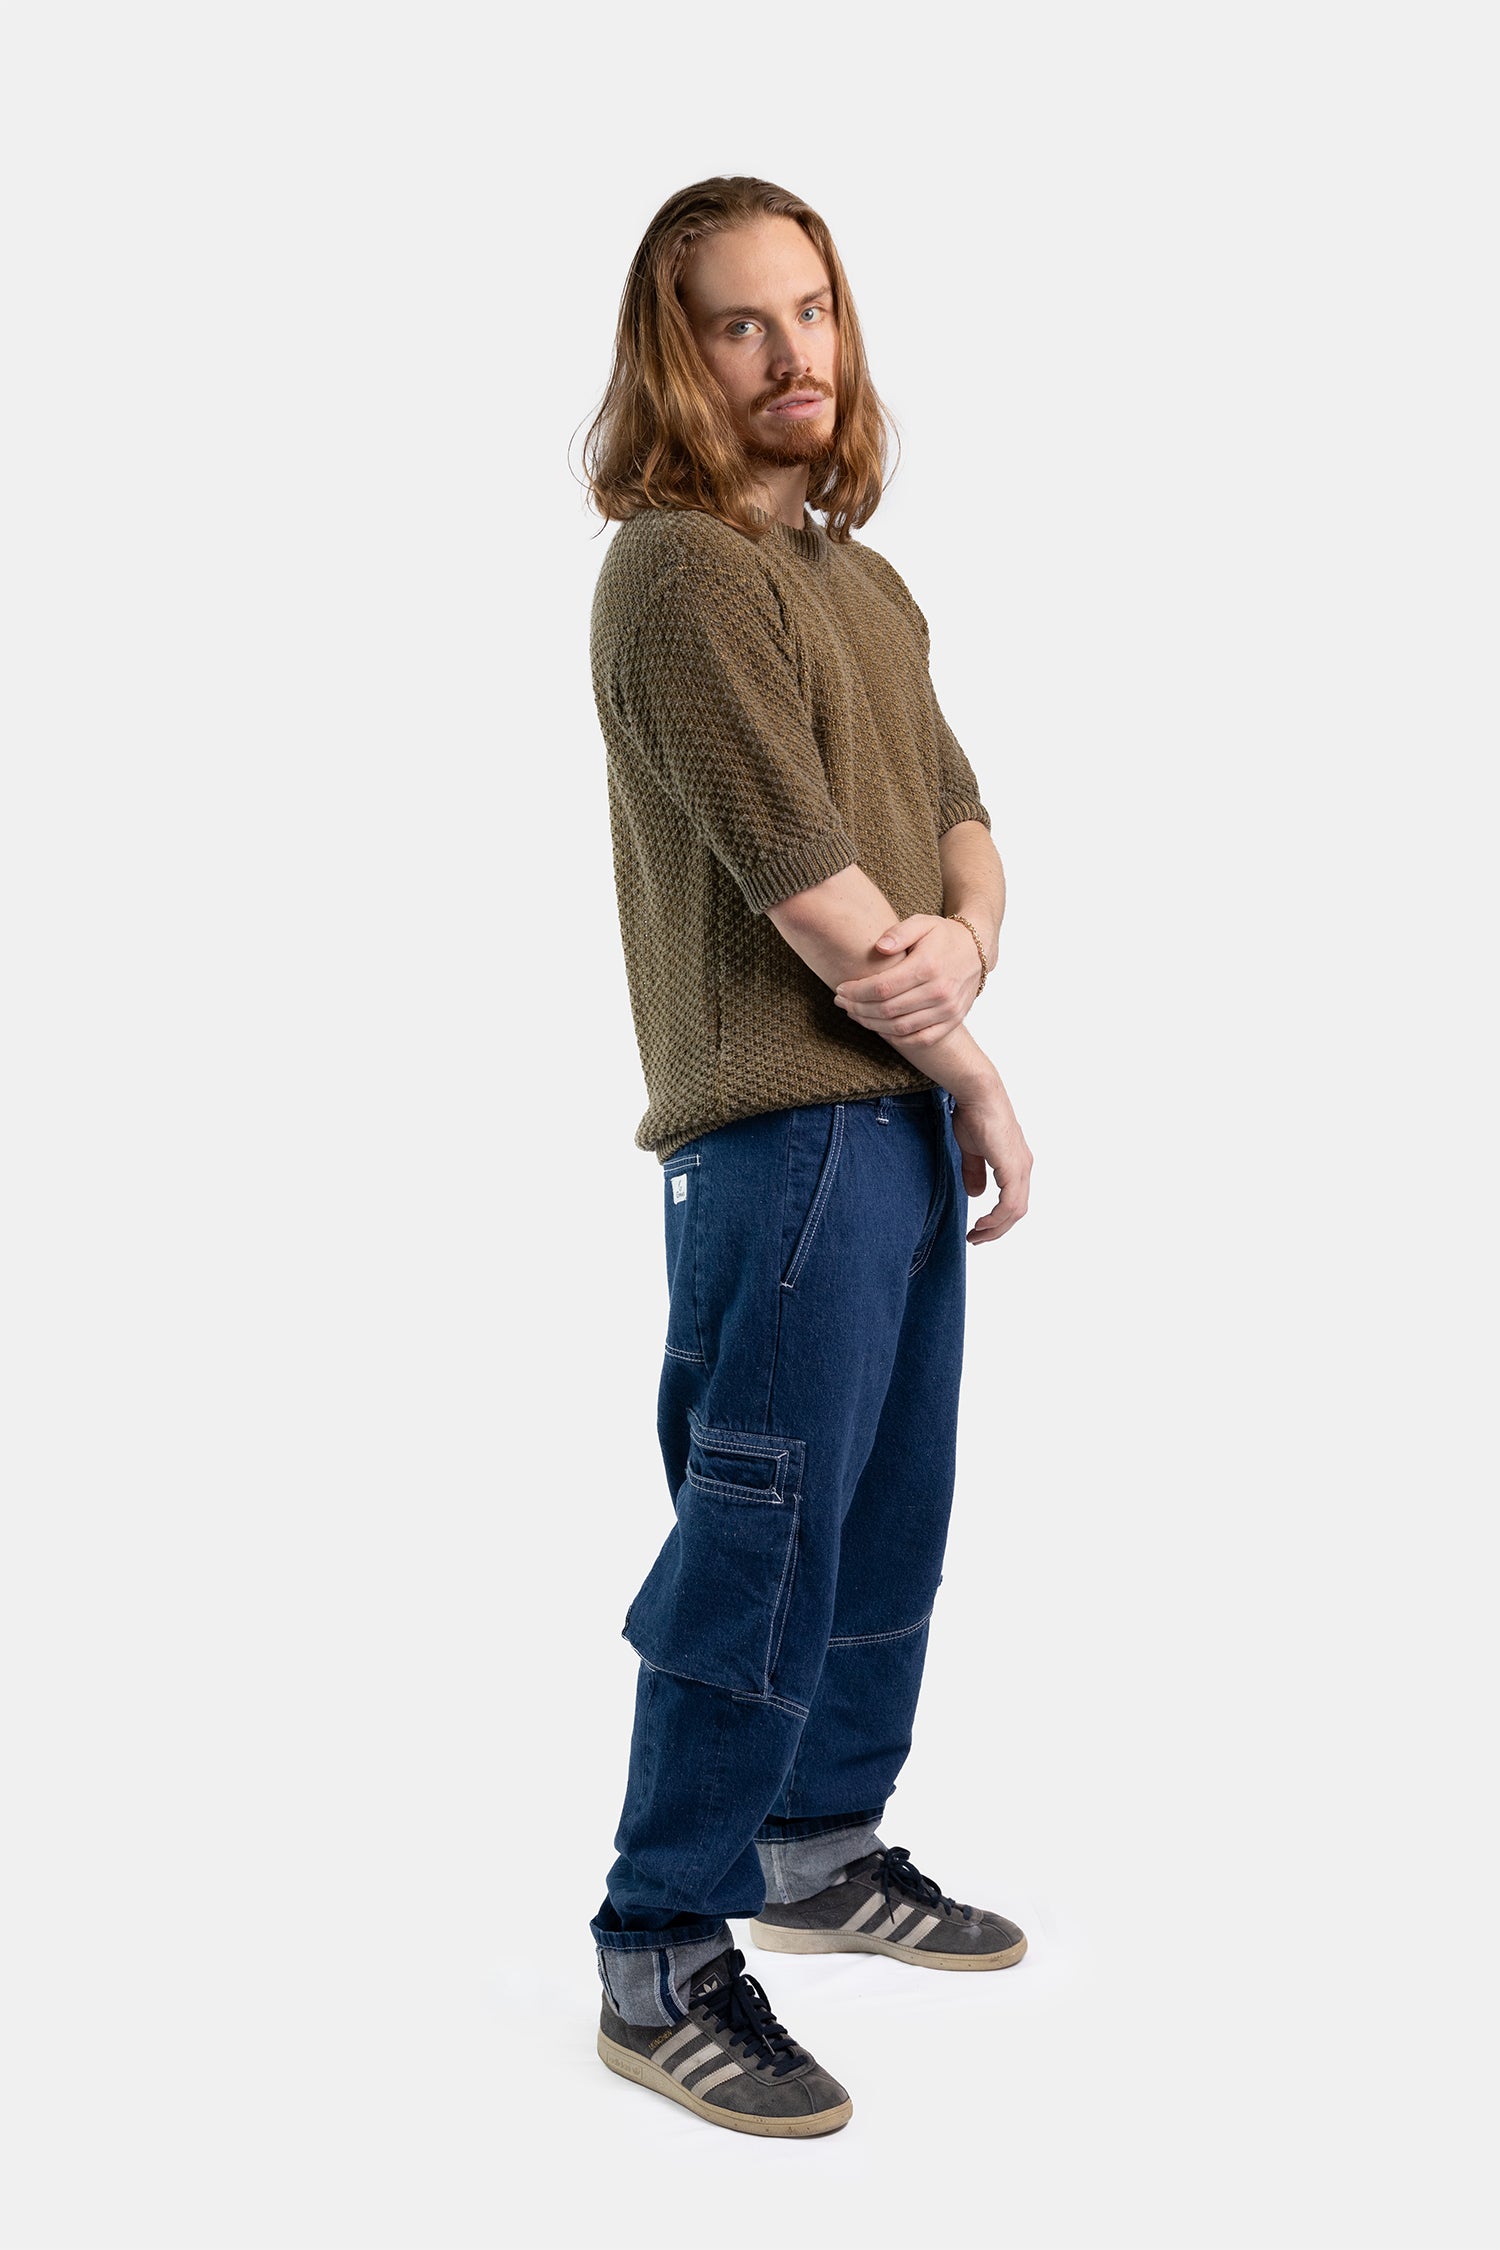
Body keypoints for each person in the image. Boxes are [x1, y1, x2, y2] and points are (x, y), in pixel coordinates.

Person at [580, 175, 1034, 2138]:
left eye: (814, 310)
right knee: (758, 1542)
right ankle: (660, 1945)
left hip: (891, 1117)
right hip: (780, 1140)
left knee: (885, 1521)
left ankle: (820, 1845)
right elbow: (808, 883)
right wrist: (979, 1066)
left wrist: (969, 944)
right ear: (674, 356)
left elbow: (958, 816)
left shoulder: (867, 584)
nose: (793, 355)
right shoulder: (680, 575)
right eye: (741, 323)